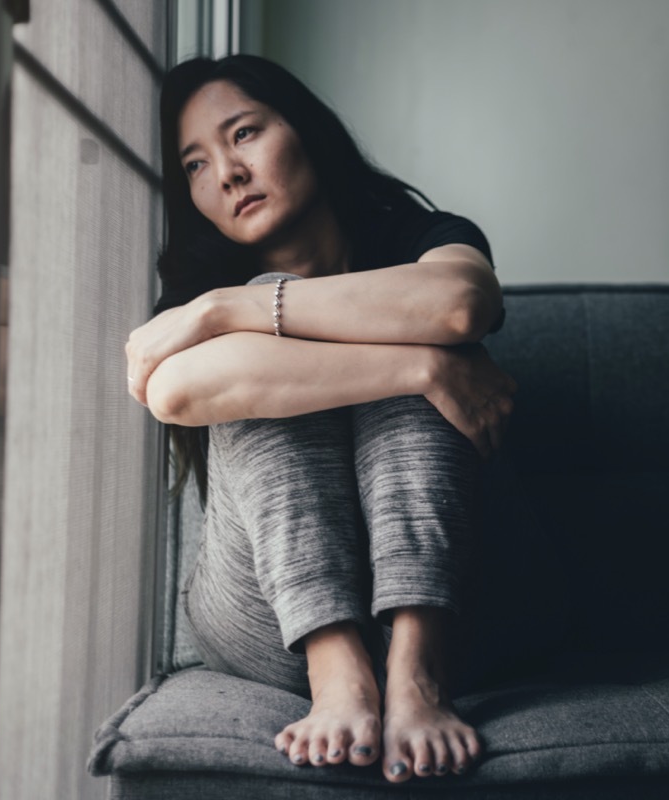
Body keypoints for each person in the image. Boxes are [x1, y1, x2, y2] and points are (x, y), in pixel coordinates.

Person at [123, 54, 516, 784]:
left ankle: (415, 674)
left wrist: (226, 312)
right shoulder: (196, 285)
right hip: (266, 618)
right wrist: (423, 368)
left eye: (243, 133)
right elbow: (176, 391)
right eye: (197, 166)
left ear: (305, 129)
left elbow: (460, 303)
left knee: (407, 318)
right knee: (329, 352)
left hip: (452, 595)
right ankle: (336, 671)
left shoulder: (418, 235)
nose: (229, 173)